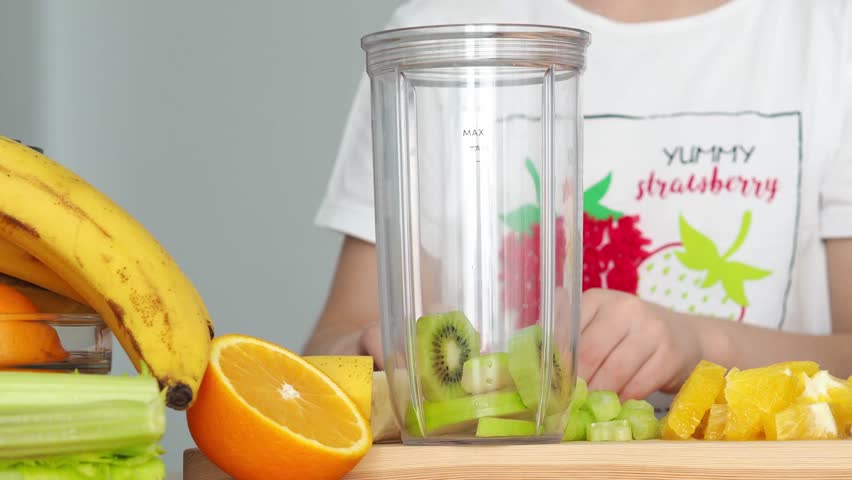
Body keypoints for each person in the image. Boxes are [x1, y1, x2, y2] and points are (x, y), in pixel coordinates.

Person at [303, 0, 852, 403]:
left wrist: (702, 344)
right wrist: (374, 351)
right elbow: (330, 348)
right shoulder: (434, 37)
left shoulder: (831, 39)